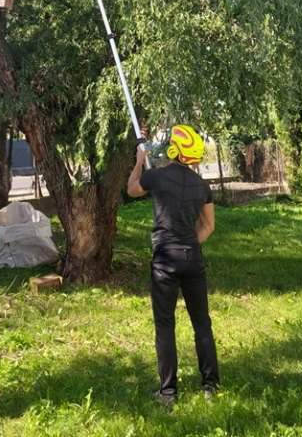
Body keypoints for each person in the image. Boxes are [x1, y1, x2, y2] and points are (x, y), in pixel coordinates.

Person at [127, 124, 220, 407]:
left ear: (173, 150)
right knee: (201, 323)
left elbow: (131, 190)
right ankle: (210, 386)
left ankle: (168, 393)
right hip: (192, 259)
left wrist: (139, 161)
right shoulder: (202, 186)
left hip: (164, 260)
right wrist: (189, 245)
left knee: (165, 326)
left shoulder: (156, 176)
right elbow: (209, 226)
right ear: (193, 157)